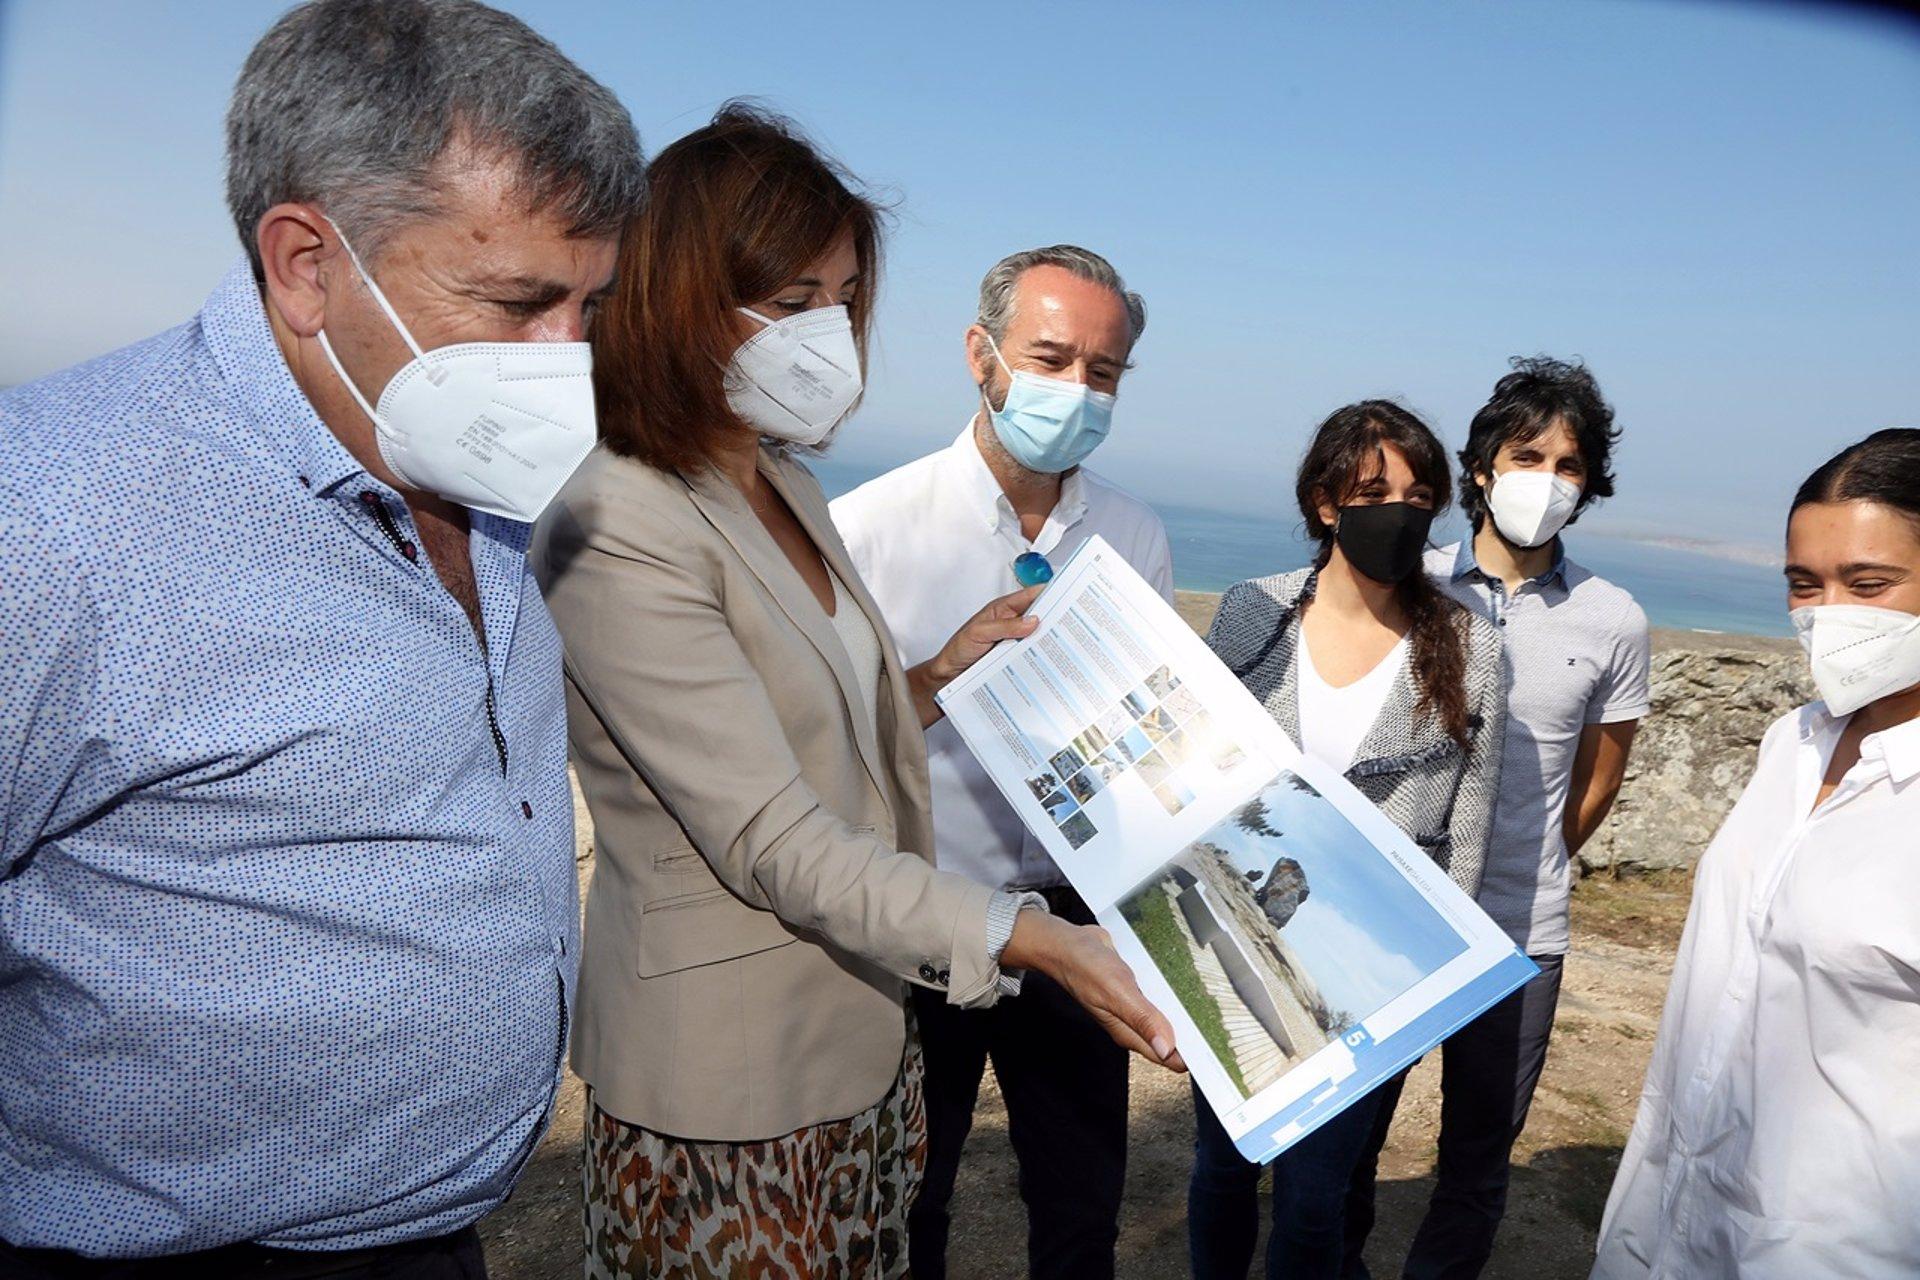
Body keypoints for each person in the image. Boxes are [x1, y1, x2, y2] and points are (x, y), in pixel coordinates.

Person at [0, 2, 645, 1275]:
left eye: (591, 304)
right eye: (516, 301)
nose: (566, 361)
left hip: (431, 1239)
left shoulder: (493, 464)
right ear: (306, 263)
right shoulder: (51, 522)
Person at [531, 106, 1180, 1280]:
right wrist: (1037, 938)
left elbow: (828, 724)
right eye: (788, 302)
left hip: (860, 1049)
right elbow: (770, 833)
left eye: (839, 297)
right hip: (726, 1086)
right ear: (676, 291)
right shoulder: (619, 515)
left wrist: (930, 677)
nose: (824, 331)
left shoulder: (785, 484)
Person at [831, 244, 1173, 1280]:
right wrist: (938, 669)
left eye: (1101, 371)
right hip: (922, 915)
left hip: (1077, 917)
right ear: (982, 355)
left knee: (1080, 1205)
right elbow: (827, 742)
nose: (1076, 388)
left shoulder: (1133, 532)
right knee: (909, 1201)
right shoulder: (870, 526)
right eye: (1051, 356)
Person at [1343, 358, 1650, 1278]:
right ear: (1480, 467)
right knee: (1350, 1146)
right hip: (1394, 918)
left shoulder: (1616, 618)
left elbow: (1602, 771)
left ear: (1590, 484)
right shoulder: (1409, 582)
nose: (1548, 482)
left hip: (1523, 929)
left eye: (1569, 466)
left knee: (1477, 1165)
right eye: (1527, 455)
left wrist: (1538, 860)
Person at [1190, 401, 1507, 1280]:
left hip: (1370, 968)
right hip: (1235, 936)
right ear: (1327, 502)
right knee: (1221, 1168)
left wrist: (1426, 977)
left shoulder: (1471, 647)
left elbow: (1467, 831)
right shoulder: (1251, 613)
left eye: (1419, 494)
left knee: (1315, 1201)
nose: (1399, 511)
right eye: (1375, 491)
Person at [1592, 427, 1920, 1279]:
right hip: (1672, 1217)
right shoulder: (1793, 744)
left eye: (1870, 584)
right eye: (1803, 585)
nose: (1828, 613)